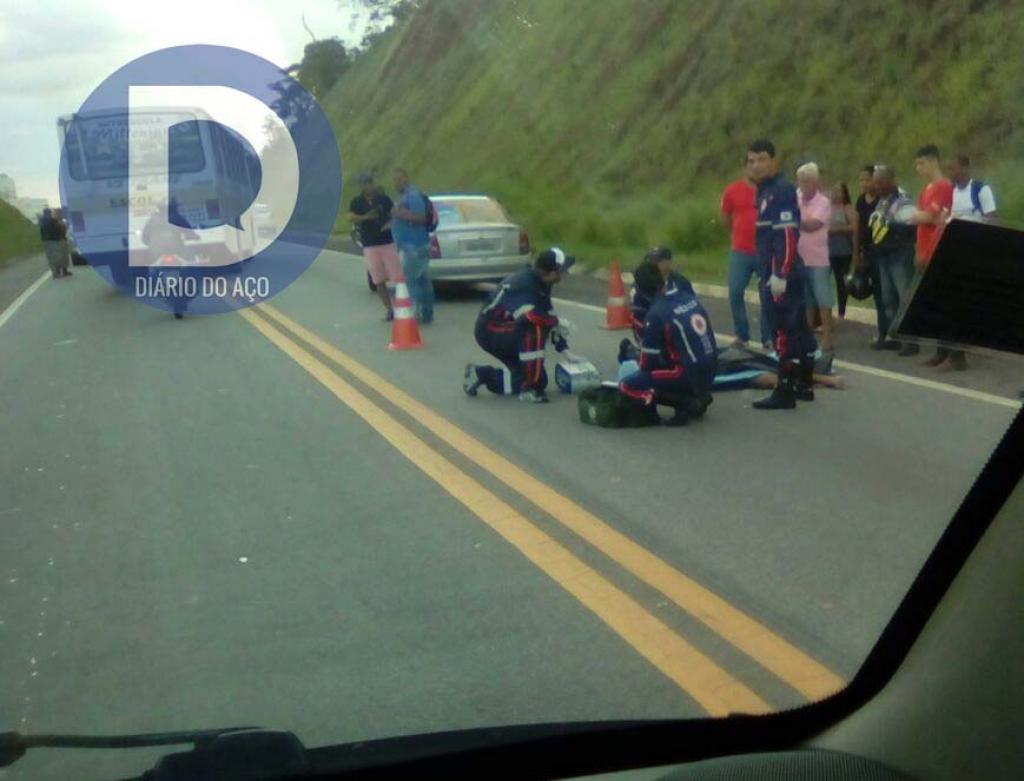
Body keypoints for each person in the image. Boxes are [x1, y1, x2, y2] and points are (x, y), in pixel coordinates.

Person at [747, 139, 818, 410]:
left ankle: (785, 390)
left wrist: (781, 273)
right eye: (751, 161)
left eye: (761, 159)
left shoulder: (781, 191)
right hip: (780, 271)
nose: (756, 165)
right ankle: (804, 384)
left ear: (774, 161)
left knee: (783, 332)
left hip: (782, 274)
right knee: (799, 328)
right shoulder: (765, 191)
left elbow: (787, 234)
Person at [463, 248, 575, 403]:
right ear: (552, 272)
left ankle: (481, 374)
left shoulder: (542, 283)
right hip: (491, 330)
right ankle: (530, 390)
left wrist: (565, 350)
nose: (565, 274)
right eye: (562, 270)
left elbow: (547, 316)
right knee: (534, 329)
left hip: (507, 330)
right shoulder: (524, 284)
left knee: (535, 380)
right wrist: (556, 321)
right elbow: (531, 317)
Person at [618, 262, 717, 426]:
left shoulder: (656, 314)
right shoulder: (687, 295)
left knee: (627, 385)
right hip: (712, 367)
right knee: (669, 354)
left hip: (688, 373)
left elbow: (648, 365)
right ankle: (697, 394)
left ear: (641, 290)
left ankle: (684, 402)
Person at [911, 145, 960, 369]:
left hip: (939, 248)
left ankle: (956, 355)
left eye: (921, 163)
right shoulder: (926, 189)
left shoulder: (943, 186)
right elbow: (922, 218)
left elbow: (929, 216)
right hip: (924, 249)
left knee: (948, 305)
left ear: (932, 162)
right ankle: (941, 351)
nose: (918, 168)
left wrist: (919, 216)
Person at [720, 153, 770, 348]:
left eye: (758, 163)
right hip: (740, 250)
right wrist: (739, 232)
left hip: (765, 251)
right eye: (750, 163)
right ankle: (742, 334)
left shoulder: (769, 190)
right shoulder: (732, 190)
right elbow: (725, 218)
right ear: (745, 168)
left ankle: (768, 337)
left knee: (767, 295)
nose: (754, 167)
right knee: (735, 290)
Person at [867, 166, 917, 355]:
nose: (876, 186)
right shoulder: (882, 200)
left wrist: (890, 226)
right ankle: (894, 337)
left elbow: (910, 227)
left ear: (890, 180)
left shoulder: (903, 199)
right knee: (888, 298)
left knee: (905, 297)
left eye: (879, 182)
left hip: (900, 253)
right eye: (875, 182)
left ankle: (911, 341)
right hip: (883, 254)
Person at [347, 173, 401, 321]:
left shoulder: (384, 199)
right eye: (365, 183)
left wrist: (390, 224)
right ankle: (389, 309)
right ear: (361, 186)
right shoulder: (357, 202)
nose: (368, 186)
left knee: (398, 276)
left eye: (370, 182)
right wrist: (366, 217)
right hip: (370, 244)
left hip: (387, 242)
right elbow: (350, 217)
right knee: (378, 279)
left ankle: (404, 306)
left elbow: (395, 214)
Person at [796, 163, 835, 353]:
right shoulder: (796, 197)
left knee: (822, 299)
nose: (803, 185)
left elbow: (813, 225)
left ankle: (828, 338)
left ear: (814, 182)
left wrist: (792, 219)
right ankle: (807, 336)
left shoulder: (823, 202)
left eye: (806, 181)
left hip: (818, 258)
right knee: (806, 299)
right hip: (799, 256)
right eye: (800, 181)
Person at [390, 167, 434, 324]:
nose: (396, 183)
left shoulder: (413, 196)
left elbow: (421, 218)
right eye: (394, 180)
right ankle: (427, 313)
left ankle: (413, 313)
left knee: (411, 281)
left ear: (406, 179)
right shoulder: (404, 197)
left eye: (399, 180)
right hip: (410, 245)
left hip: (414, 245)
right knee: (422, 279)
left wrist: (399, 214)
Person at [855, 166, 889, 348]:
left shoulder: (883, 200)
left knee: (886, 293)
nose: (865, 183)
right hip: (867, 250)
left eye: (867, 179)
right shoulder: (861, 201)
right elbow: (859, 227)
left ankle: (890, 332)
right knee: (875, 292)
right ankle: (882, 332)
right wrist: (858, 252)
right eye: (861, 180)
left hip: (882, 250)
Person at [828, 181, 857, 319]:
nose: (835, 194)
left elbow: (854, 227)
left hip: (843, 251)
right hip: (825, 251)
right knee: (823, 281)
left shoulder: (847, 208)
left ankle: (841, 312)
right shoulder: (825, 207)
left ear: (844, 194)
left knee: (841, 282)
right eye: (833, 191)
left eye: (839, 191)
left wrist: (837, 229)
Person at [949, 154, 997, 219]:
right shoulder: (950, 191)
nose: (950, 173)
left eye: (952, 169)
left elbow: (992, 220)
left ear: (964, 169)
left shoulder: (981, 190)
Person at [39, 208, 71, 279]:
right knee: (57, 257)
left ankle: (60, 271)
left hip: (54, 240)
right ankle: (58, 272)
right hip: (53, 241)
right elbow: (57, 230)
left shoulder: (53, 221)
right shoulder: (51, 221)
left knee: (59, 257)